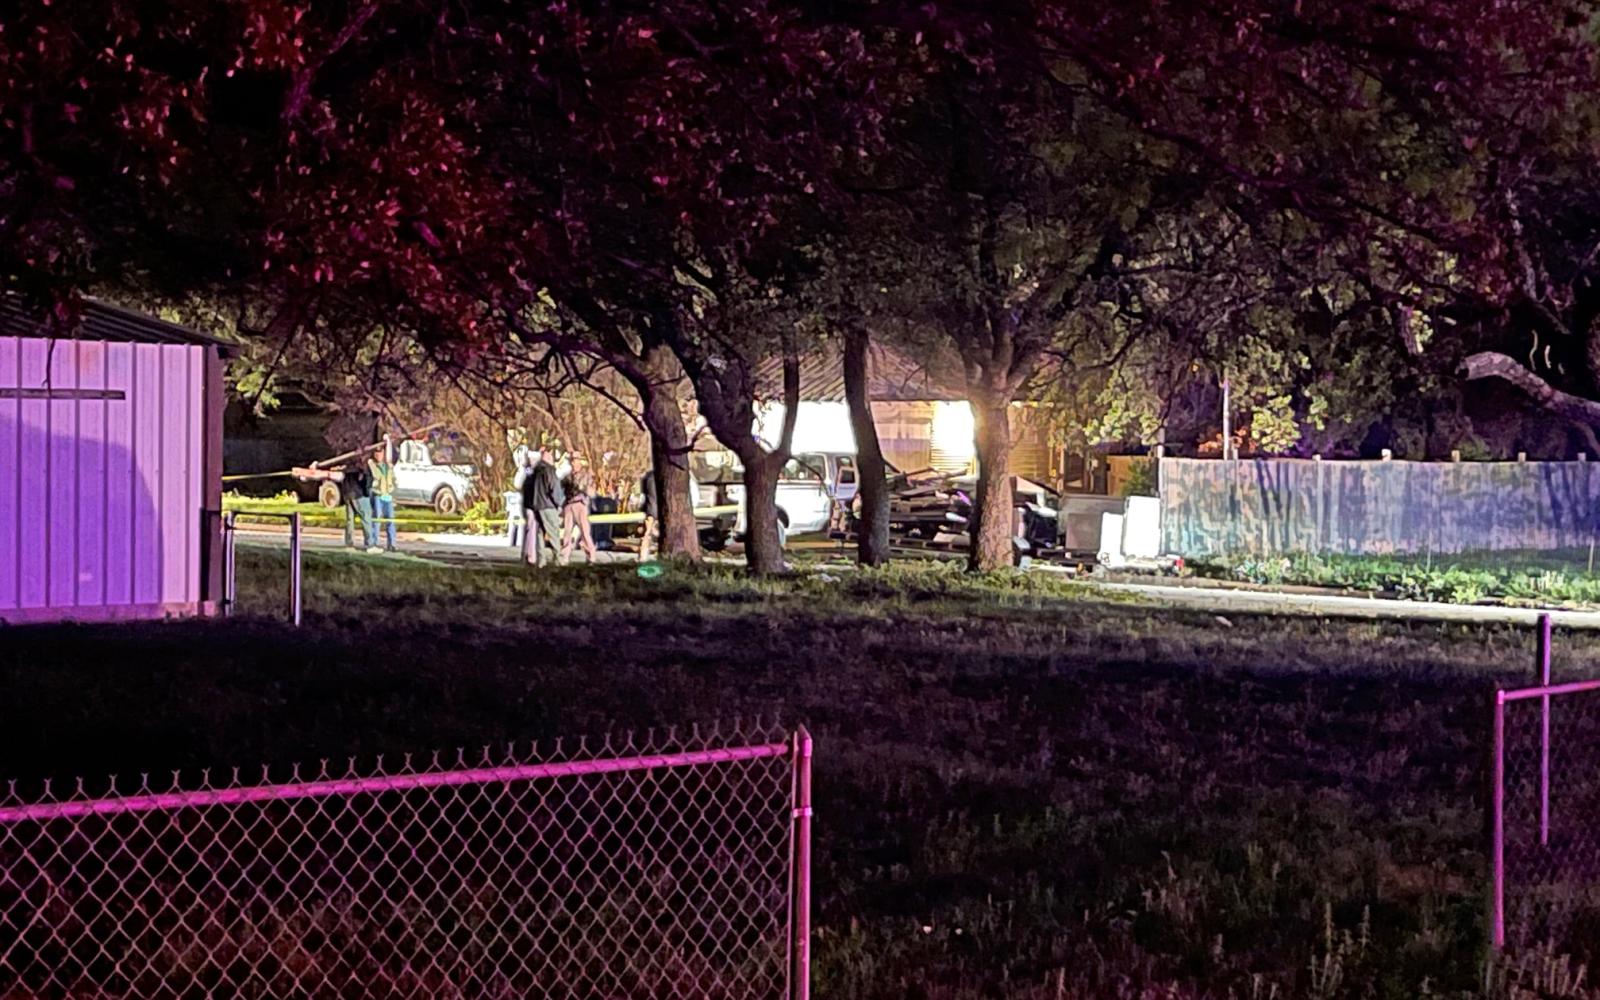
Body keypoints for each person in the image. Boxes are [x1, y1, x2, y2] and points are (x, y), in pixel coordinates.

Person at [520, 444, 565, 566]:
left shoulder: (535, 471)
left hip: (536, 506)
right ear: (548, 455)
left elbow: (526, 485)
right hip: (548, 506)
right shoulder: (549, 470)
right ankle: (557, 559)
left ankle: (541, 560)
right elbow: (554, 489)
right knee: (553, 532)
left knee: (539, 534)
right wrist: (559, 503)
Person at [560, 457, 599, 565]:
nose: (574, 463)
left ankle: (591, 554)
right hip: (569, 505)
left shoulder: (586, 476)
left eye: (576, 460)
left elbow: (592, 493)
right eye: (572, 460)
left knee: (585, 532)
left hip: (580, 504)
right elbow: (561, 490)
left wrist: (584, 487)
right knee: (567, 532)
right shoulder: (567, 477)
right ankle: (565, 556)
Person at [367, 437, 398, 552]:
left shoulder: (388, 466)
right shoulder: (372, 465)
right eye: (376, 453)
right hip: (378, 495)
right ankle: (374, 542)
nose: (379, 455)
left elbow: (393, 478)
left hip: (387, 496)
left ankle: (392, 543)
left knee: (390, 520)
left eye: (380, 452)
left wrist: (388, 440)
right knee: (377, 521)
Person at [339, 462, 375, 549]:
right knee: (366, 518)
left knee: (350, 520)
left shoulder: (347, 466)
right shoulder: (362, 466)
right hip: (359, 494)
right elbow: (366, 480)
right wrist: (367, 493)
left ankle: (349, 543)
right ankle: (369, 544)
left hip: (347, 494)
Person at [638, 467, 659, 562]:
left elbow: (643, 494)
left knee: (647, 533)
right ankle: (644, 556)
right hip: (658, 510)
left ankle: (643, 556)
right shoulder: (659, 477)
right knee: (648, 533)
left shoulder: (648, 477)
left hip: (650, 510)